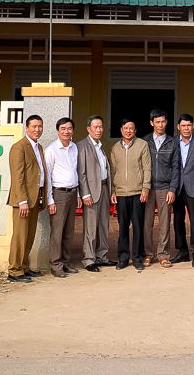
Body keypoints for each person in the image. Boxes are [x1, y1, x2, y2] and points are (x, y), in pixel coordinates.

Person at [7, 114, 48, 283]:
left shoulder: (38, 147)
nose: (37, 129)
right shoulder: (19, 147)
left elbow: (38, 173)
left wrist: (41, 198)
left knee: (29, 236)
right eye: (34, 126)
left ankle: (24, 266)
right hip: (23, 201)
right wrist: (22, 201)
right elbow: (17, 177)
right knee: (20, 236)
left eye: (40, 126)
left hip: (34, 199)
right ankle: (14, 270)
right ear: (27, 128)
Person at [108, 118, 152, 270]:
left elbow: (147, 168)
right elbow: (112, 171)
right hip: (121, 193)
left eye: (131, 128)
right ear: (121, 130)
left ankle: (137, 258)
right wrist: (113, 191)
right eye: (125, 128)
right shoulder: (115, 148)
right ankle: (123, 258)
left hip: (137, 192)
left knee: (138, 226)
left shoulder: (142, 145)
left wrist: (145, 189)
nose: (128, 131)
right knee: (123, 227)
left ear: (135, 130)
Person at [142, 108, 180, 268]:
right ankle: (147, 253)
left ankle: (163, 254)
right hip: (148, 188)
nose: (160, 125)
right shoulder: (144, 142)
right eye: (157, 122)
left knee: (165, 223)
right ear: (152, 123)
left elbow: (176, 168)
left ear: (167, 122)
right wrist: (143, 188)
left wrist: (172, 189)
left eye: (163, 121)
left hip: (165, 187)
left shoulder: (173, 143)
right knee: (147, 223)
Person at [45, 117, 81, 278]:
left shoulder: (74, 147)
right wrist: (50, 200)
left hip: (72, 193)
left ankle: (65, 262)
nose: (66, 131)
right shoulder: (51, 150)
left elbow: (76, 171)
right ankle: (56, 265)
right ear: (58, 131)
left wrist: (78, 194)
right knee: (57, 232)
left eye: (69, 128)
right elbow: (47, 177)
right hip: (58, 194)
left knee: (69, 231)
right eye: (63, 129)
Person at [77, 114, 114, 272]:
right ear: (88, 129)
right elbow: (81, 173)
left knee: (103, 225)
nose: (99, 130)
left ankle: (102, 256)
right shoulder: (82, 146)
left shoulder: (100, 146)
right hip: (91, 192)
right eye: (95, 127)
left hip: (104, 189)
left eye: (101, 127)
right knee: (91, 227)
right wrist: (85, 194)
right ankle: (89, 259)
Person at [171, 113, 194, 267]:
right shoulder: (173, 142)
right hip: (177, 188)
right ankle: (182, 252)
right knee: (178, 221)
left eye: (188, 125)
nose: (186, 128)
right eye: (183, 125)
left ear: (193, 126)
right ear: (178, 127)